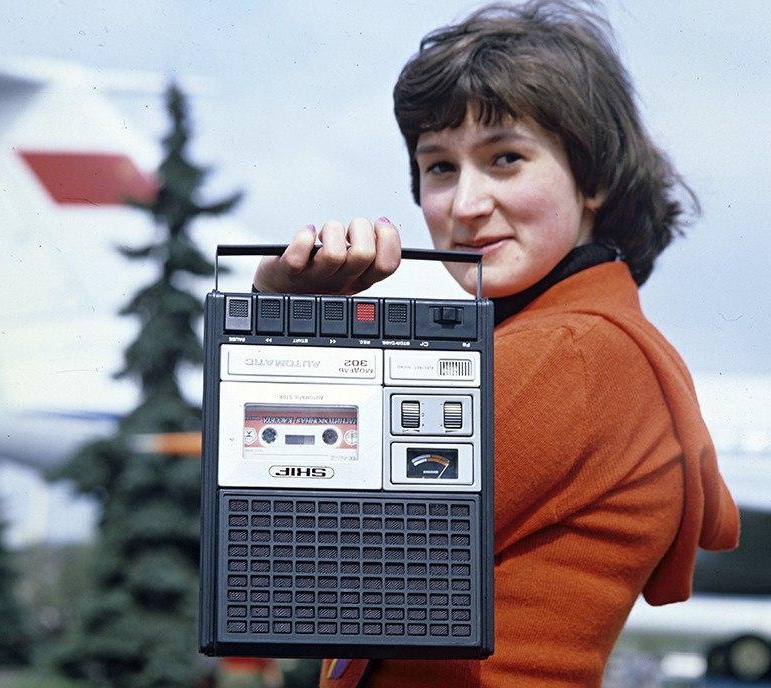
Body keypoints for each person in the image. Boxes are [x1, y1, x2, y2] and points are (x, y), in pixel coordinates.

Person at [252, 2, 740, 686]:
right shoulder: (589, 342)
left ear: (594, 177)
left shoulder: (570, 352)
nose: (466, 204)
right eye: (439, 167)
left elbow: (293, 566)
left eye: (505, 158)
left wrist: (282, 331)